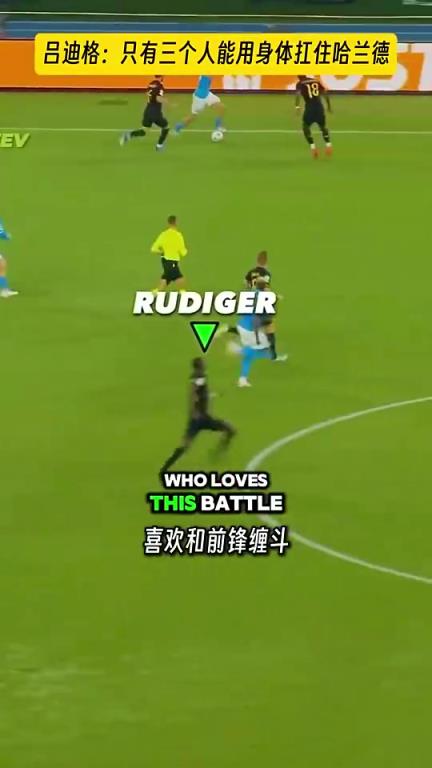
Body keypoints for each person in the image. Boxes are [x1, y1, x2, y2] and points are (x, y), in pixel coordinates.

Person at [160, 358, 235, 478]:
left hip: (203, 418)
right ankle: (217, 453)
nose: (205, 363)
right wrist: (194, 411)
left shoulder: (199, 376)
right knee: (230, 430)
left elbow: (200, 393)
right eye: (203, 362)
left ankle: (165, 468)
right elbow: (193, 392)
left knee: (185, 445)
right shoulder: (199, 376)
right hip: (200, 418)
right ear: (200, 365)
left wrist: (211, 395)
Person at [120, 75, 169, 151]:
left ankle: (129, 135)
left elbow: (147, 94)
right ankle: (159, 146)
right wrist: (166, 102)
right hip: (155, 111)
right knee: (165, 127)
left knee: (144, 131)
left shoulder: (151, 84)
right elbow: (158, 98)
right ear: (162, 77)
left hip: (148, 110)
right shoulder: (160, 86)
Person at [295, 75, 332, 158]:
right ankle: (328, 145)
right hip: (319, 108)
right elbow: (325, 93)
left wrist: (297, 106)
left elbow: (298, 95)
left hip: (310, 109)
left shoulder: (300, 83)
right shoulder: (315, 81)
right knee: (323, 127)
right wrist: (329, 106)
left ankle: (313, 147)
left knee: (305, 126)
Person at [150, 215, 187, 293]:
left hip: (164, 260)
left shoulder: (163, 235)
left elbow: (154, 249)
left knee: (167, 276)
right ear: (176, 223)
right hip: (172, 260)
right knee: (178, 276)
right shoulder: (178, 235)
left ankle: (156, 292)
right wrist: (185, 251)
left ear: (168, 223)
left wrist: (162, 252)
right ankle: (182, 292)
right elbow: (183, 252)